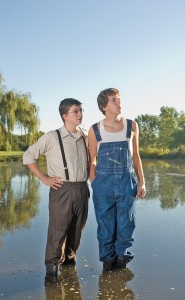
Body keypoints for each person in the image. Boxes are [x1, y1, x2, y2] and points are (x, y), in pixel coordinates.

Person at [23, 98, 89, 276]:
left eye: (81, 111)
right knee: (58, 230)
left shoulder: (85, 137)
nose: (80, 114)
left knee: (77, 230)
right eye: (76, 111)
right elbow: (28, 156)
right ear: (65, 115)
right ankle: (52, 270)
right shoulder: (52, 137)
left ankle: (69, 266)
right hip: (62, 190)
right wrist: (44, 179)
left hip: (83, 189)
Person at [88, 88, 146, 271]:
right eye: (114, 100)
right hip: (102, 185)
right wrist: (95, 184)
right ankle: (108, 261)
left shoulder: (131, 125)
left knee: (126, 223)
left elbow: (136, 157)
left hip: (127, 182)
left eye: (119, 99)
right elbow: (92, 161)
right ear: (104, 106)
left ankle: (122, 259)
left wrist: (142, 182)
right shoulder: (94, 129)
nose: (119, 102)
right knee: (105, 226)